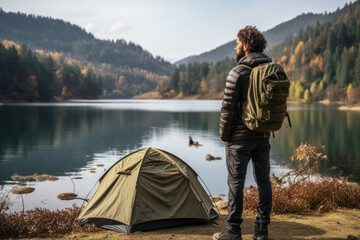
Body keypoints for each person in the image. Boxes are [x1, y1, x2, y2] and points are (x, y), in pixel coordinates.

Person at [213, 26, 272, 240]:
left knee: (236, 182)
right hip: (263, 135)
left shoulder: (238, 72)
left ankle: (233, 232)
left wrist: (225, 136)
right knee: (264, 181)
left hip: (239, 138)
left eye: (237, 43)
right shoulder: (269, 69)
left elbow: (227, 109)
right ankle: (262, 231)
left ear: (246, 46)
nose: (234, 47)